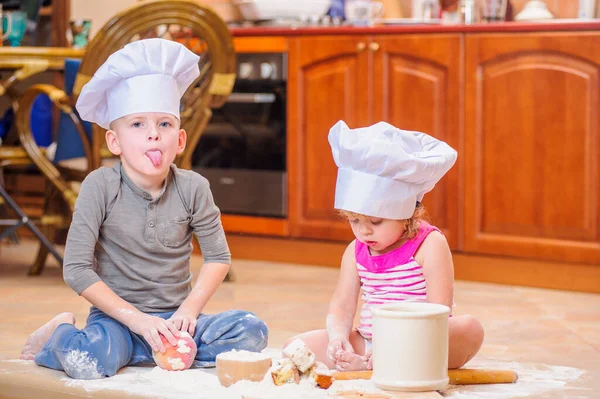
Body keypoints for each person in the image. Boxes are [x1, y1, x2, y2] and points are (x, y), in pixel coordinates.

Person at [19, 38, 268, 379]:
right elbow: (76, 269)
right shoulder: (99, 186)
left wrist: (189, 312)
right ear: (114, 141)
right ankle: (60, 334)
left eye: (164, 124)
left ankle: (149, 351)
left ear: (179, 140)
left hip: (176, 320)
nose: (153, 135)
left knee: (251, 331)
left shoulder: (194, 187)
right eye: (138, 124)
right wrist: (136, 320)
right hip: (117, 321)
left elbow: (218, 259)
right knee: (90, 360)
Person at [285, 120, 483, 372]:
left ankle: (387, 363)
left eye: (376, 221)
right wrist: (338, 338)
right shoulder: (355, 251)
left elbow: (438, 312)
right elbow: (342, 304)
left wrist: (393, 347)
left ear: (407, 214)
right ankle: (372, 364)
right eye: (354, 220)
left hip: (420, 340)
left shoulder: (430, 244)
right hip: (369, 344)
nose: (363, 230)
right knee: (296, 346)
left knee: (469, 329)